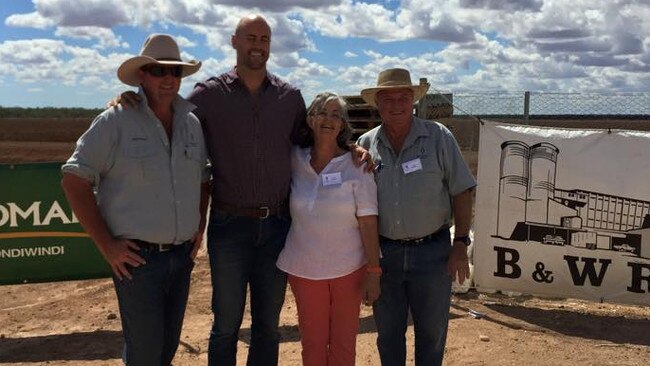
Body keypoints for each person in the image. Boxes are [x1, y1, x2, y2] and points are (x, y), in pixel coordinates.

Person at [61, 34, 210, 365]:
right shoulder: (115, 121)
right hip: (138, 262)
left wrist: (199, 223)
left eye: (176, 71)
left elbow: (203, 179)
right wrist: (107, 245)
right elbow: (74, 180)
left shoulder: (191, 124)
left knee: (166, 349)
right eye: (158, 71)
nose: (169, 78)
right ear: (142, 75)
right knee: (144, 354)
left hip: (181, 257)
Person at [357, 68, 476, 366]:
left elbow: (462, 191)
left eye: (403, 98)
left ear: (413, 101)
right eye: (388, 99)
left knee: (432, 334)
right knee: (388, 335)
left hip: (433, 254)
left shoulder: (438, 137)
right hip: (385, 257)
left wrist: (460, 244)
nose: (396, 105)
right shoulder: (365, 146)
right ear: (378, 104)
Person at [276, 92, 381, 366]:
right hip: (304, 268)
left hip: (349, 269)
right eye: (323, 112)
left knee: (344, 346)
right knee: (312, 345)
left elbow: (368, 221)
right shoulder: (293, 159)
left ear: (343, 125)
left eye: (337, 115)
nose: (329, 119)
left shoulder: (358, 165)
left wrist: (374, 270)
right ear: (310, 120)